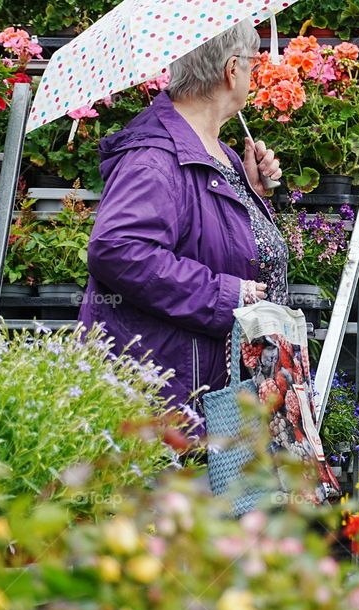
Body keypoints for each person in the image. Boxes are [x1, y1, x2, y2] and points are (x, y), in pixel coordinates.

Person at [78, 20, 288, 431]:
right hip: (173, 396)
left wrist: (253, 194)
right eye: (251, 63)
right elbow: (117, 248)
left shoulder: (220, 154)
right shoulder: (154, 158)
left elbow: (215, 242)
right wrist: (226, 295)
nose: (251, 73)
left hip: (213, 386)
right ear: (231, 69)